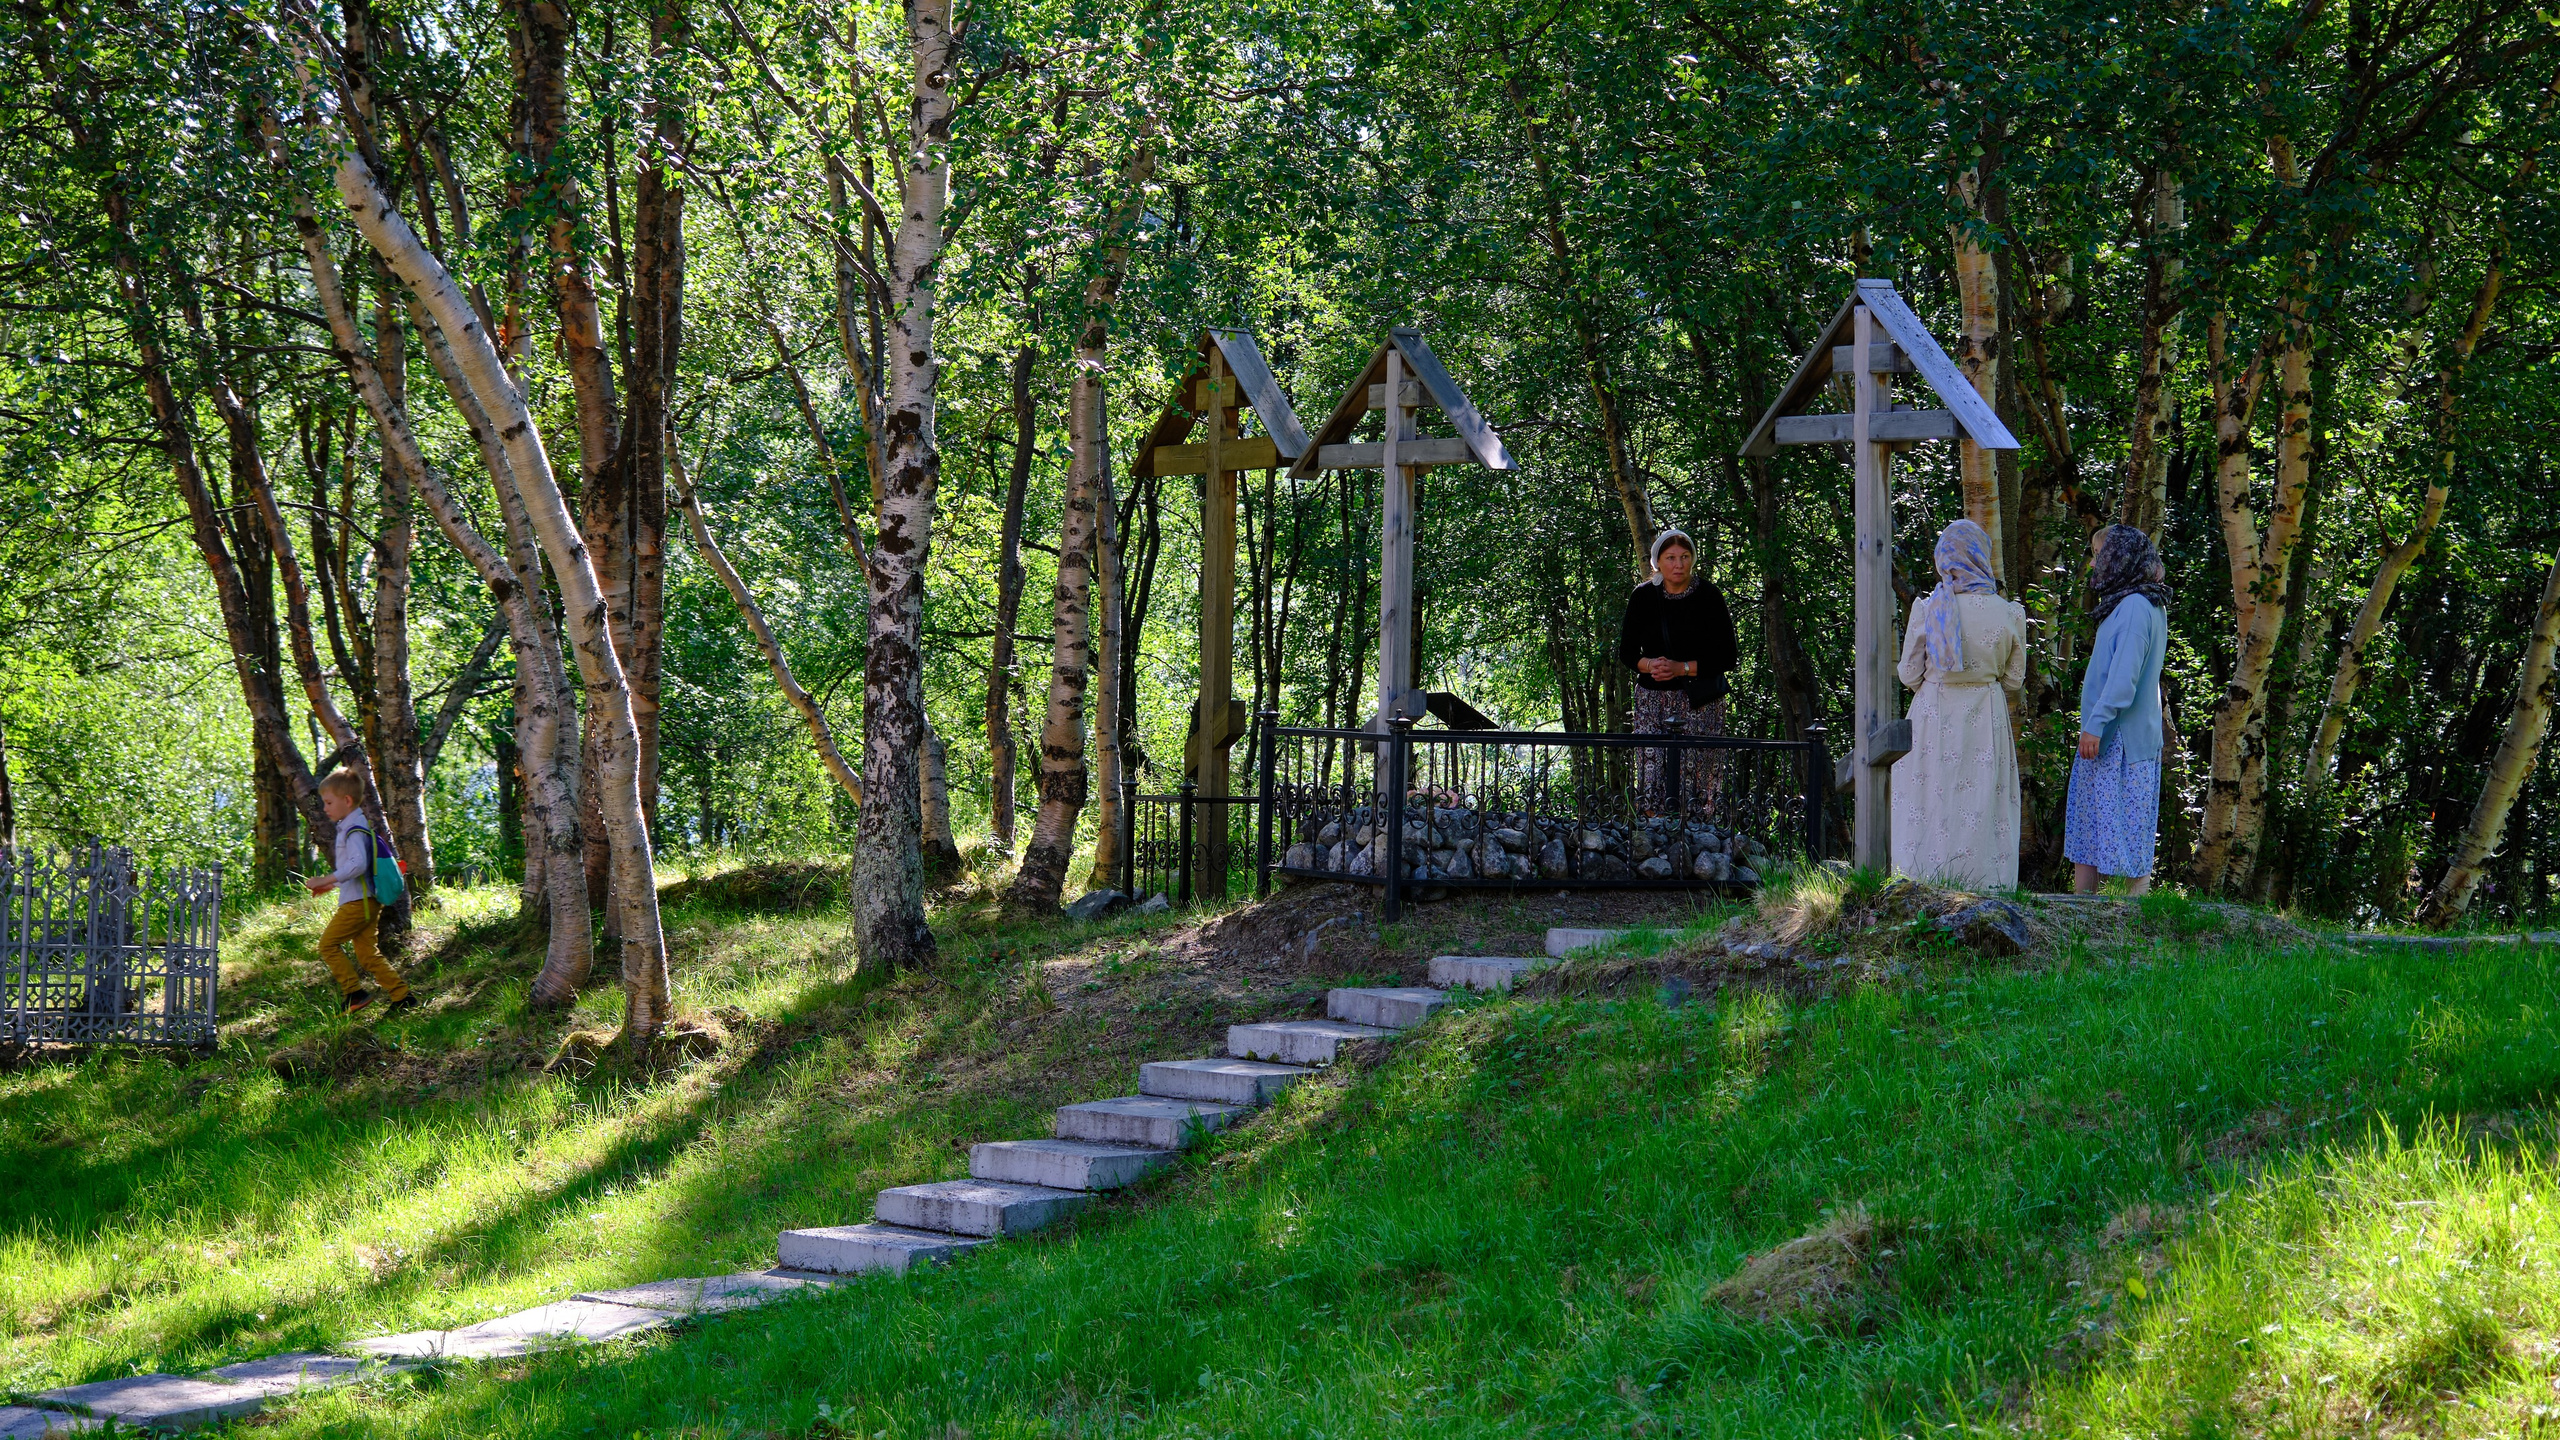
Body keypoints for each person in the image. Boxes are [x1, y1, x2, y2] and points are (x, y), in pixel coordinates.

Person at [1891, 518, 2027, 889]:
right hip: (1987, 715)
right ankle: (1986, 883)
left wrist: (1937, 679)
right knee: (1984, 796)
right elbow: (2014, 679)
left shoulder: (1931, 607)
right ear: (1983, 556)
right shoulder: (2009, 612)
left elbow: (1907, 673)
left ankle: (1920, 883)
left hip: (1934, 713)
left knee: (1931, 796)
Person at [2067, 524, 2172, 895]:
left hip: (2119, 741)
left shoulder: (2134, 608)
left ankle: (2135, 924)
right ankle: (2082, 914)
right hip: (2116, 736)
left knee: (2125, 833)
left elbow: (2122, 680)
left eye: (2100, 554)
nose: (2095, 563)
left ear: (2120, 559)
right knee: (2091, 830)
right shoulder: (2139, 602)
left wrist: (2095, 725)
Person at [1619, 527, 1739, 815]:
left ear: (1693, 560)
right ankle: (1653, 840)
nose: (1678, 564)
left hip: (1700, 703)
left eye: (1685, 557)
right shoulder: (1643, 597)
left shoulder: (1709, 596)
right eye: (1671, 558)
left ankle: (1697, 839)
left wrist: (1681, 668)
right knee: (1652, 776)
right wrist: (1651, 665)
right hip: (1652, 701)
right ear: (1657, 562)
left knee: (1696, 780)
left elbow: (1728, 657)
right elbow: (1626, 653)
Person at [305, 771, 414, 1014]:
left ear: (347, 801)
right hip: (365, 900)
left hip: (357, 904)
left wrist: (326, 878)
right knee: (368, 955)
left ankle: (354, 993)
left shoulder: (353, 830)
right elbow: (358, 872)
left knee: (327, 945)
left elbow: (358, 865)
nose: (325, 808)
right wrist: (331, 885)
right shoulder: (356, 826)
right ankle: (402, 997)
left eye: (329, 802)